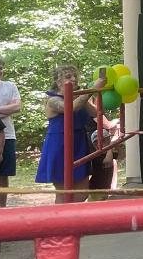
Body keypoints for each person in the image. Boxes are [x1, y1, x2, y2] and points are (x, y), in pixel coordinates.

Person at [36, 65, 105, 203]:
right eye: (68, 77)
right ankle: (61, 216)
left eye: (75, 76)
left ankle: (72, 214)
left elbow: (95, 113)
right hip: (60, 145)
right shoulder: (53, 100)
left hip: (79, 143)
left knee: (82, 193)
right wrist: (92, 89)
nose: (73, 79)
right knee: (64, 193)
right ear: (58, 82)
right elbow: (70, 108)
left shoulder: (78, 97)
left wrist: (84, 96)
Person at [0, 57, 21, 208]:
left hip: (8, 135)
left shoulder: (10, 86)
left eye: (0, 68)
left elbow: (17, 107)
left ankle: (2, 207)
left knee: (3, 174)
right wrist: (5, 110)